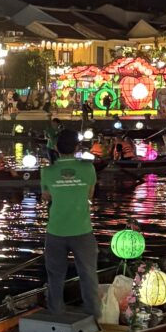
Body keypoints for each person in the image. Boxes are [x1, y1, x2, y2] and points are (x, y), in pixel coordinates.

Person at [40, 129, 100, 318]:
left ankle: (56, 312)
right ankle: (93, 314)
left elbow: (46, 196)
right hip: (82, 229)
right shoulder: (88, 168)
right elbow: (90, 194)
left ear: (56, 148)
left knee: (55, 276)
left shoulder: (46, 171)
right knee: (88, 274)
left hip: (56, 230)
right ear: (77, 147)